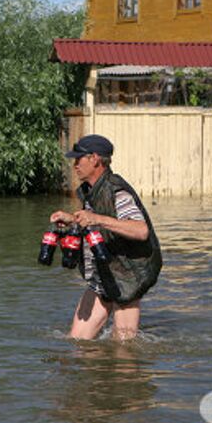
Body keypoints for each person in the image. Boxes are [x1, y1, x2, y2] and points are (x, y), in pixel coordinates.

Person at [49, 134, 162, 341]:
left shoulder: (116, 191)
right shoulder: (92, 190)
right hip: (103, 274)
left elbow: (141, 230)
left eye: (78, 159)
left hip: (127, 278)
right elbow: (96, 222)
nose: (74, 165)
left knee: (124, 349)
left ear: (94, 159)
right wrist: (72, 220)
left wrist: (96, 218)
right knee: (77, 342)